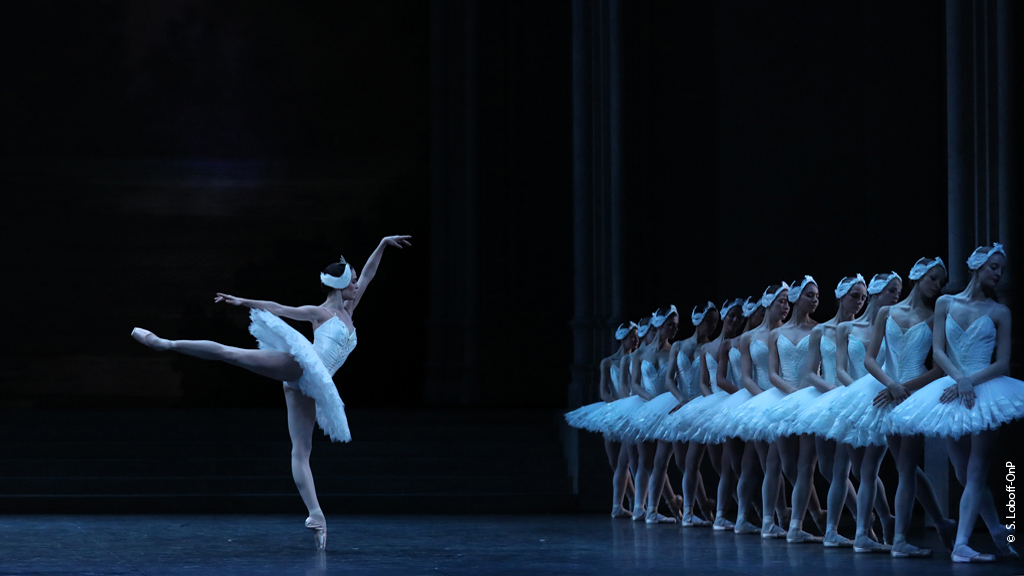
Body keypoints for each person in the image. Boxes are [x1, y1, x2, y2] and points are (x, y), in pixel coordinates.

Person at [131, 234, 412, 550]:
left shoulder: (349, 310)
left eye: (358, 280)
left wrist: (382, 244)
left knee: (302, 451)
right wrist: (243, 302)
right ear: (341, 283)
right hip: (300, 366)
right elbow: (280, 308)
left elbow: (370, 274)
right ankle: (164, 343)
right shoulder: (319, 312)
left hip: (312, 384)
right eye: (354, 280)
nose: (358, 284)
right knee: (232, 354)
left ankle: (316, 516)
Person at [889, 244, 1023, 562]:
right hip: (951, 388)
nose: (998, 273)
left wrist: (969, 381)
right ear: (977, 266)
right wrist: (958, 379)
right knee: (963, 473)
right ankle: (998, 531)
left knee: (976, 471)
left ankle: (961, 544)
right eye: (993, 267)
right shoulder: (945, 303)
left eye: (1001, 269)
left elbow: (1003, 363)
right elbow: (938, 351)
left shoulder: (999, 311)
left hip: (985, 390)